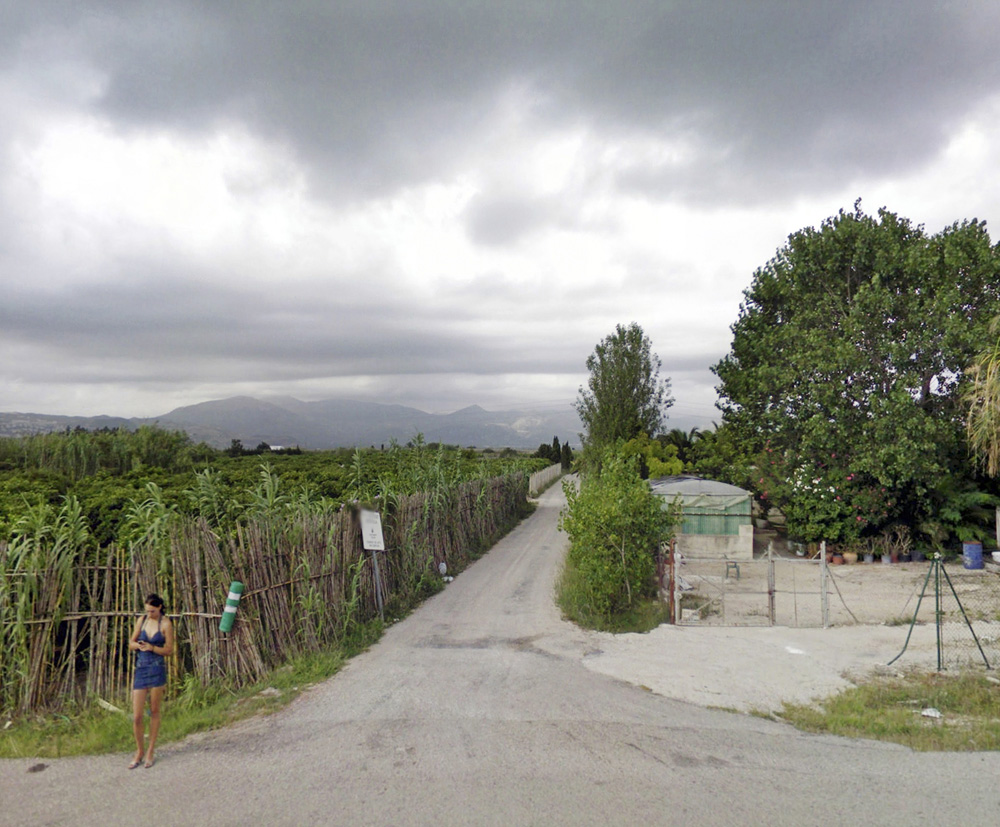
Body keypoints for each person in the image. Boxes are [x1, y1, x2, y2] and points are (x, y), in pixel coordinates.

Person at [128, 593, 174, 769]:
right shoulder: (142, 621)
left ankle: (151, 751)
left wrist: (152, 648)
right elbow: (130, 642)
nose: (149, 614)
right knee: (137, 716)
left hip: (156, 668)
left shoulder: (166, 624)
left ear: (160, 607)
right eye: (147, 611)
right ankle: (139, 750)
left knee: (154, 711)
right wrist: (138, 646)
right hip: (141, 668)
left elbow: (169, 650)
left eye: (152, 611)